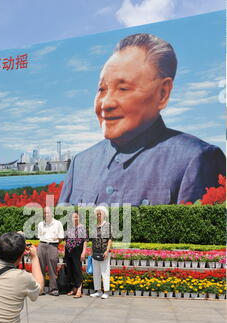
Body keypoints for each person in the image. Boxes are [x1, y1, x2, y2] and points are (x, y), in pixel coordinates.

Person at [59, 33, 226, 206]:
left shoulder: (196, 159)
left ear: (162, 93)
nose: (106, 103)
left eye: (123, 88)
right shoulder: (81, 163)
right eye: (101, 89)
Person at [37, 206, 64, 296]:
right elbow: (39, 236)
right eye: (45, 213)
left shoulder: (58, 223)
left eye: (48, 212)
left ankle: (53, 289)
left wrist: (54, 243)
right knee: (40, 268)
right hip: (42, 245)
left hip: (53, 246)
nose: (46, 214)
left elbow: (61, 237)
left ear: (52, 213)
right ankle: (40, 289)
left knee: (52, 269)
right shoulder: (40, 224)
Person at [90, 206, 112, 299]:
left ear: (104, 215)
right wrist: (91, 251)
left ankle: (106, 291)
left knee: (105, 272)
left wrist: (107, 250)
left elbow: (110, 238)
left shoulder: (107, 225)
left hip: (104, 252)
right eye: (98, 214)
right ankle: (98, 291)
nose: (99, 215)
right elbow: (93, 240)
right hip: (95, 252)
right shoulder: (94, 225)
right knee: (96, 272)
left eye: (101, 214)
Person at [64, 211, 87, 298]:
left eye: (76, 217)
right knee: (71, 270)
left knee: (77, 270)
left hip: (78, 251)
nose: (75, 218)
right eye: (73, 217)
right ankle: (74, 288)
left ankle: (79, 289)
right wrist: (64, 251)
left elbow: (85, 240)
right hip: (68, 251)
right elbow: (66, 240)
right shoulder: (69, 227)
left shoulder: (82, 228)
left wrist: (83, 252)